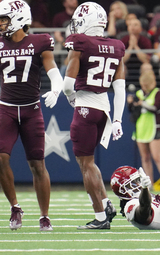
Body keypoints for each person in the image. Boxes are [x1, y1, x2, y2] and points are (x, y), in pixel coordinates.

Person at [0, 0, 64, 231]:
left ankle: (44, 216)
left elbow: (53, 70)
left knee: (37, 164)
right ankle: (15, 207)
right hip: (5, 108)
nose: (1, 23)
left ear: (17, 19)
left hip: (31, 110)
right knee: (0, 158)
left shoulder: (39, 41)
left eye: (4, 18)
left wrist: (56, 89)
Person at [62, 2, 126, 230]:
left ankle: (100, 218)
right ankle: (107, 203)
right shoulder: (117, 46)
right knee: (88, 162)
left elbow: (68, 84)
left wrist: (71, 98)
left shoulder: (79, 43)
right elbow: (120, 89)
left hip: (86, 107)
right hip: (104, 109)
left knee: (86, 164)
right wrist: (117, 120)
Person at [126, 71, 160, 186]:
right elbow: (132, 111)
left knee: (157, 156)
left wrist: (142, 103)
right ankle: (148, 184)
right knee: (145, 157)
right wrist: (131, 103)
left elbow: (156, 108)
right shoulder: (139, 93)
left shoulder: (158, 93)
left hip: (155, 128)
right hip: (141, 129)